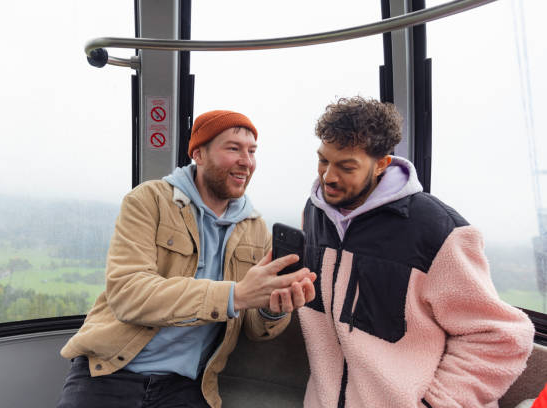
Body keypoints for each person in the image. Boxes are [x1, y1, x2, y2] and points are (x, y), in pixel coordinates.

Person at [56, 110, 316, 408]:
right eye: (233, 148)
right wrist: (236, 294)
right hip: (111, 371)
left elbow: (255, 328)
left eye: (252, 151)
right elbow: (128, 294)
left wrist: (274, 310)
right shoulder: (148, 201)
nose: (246, 161)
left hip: (186, 385)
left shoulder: (256, 231)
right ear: (199, 154)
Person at [298, 96, 535, 407]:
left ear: (381, 164)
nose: (328, 176)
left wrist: (437, 403)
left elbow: (501, 336)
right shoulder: (315, 214)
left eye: (346, 166)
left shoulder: (438, 231)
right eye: (323, 160)